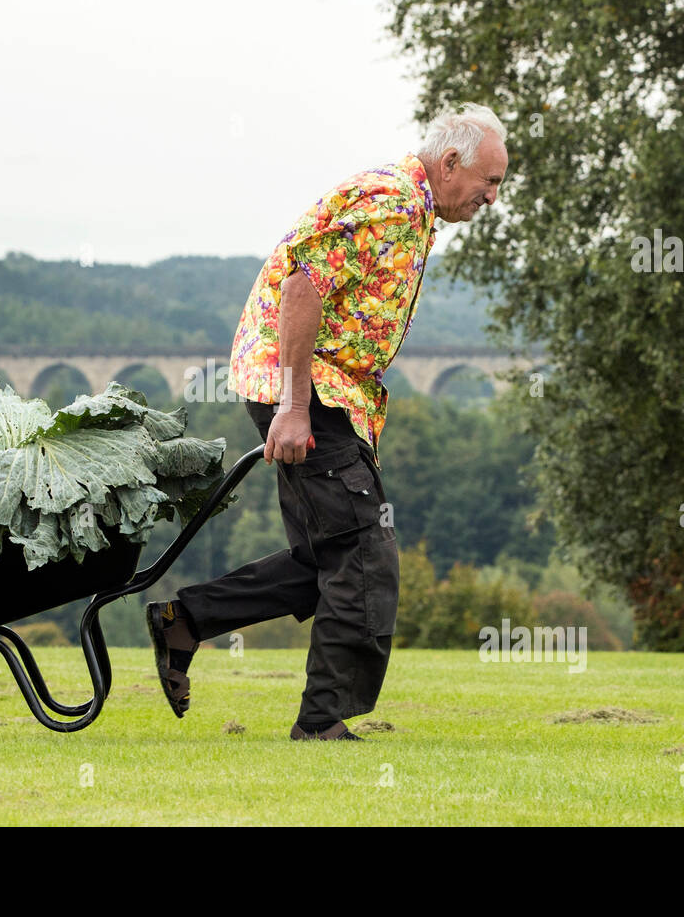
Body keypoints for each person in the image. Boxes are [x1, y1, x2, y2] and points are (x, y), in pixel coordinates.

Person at [147, 103, 509, 740]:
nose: (492, 197)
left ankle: (186, 620)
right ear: (450, 163)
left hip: (319, 393)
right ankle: (321, 725)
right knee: (365, 554)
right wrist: (292, 407)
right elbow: (302, 287)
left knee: (329, 558)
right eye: (490, 181)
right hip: (307, 393)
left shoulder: (412, 209)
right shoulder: (393, 203)